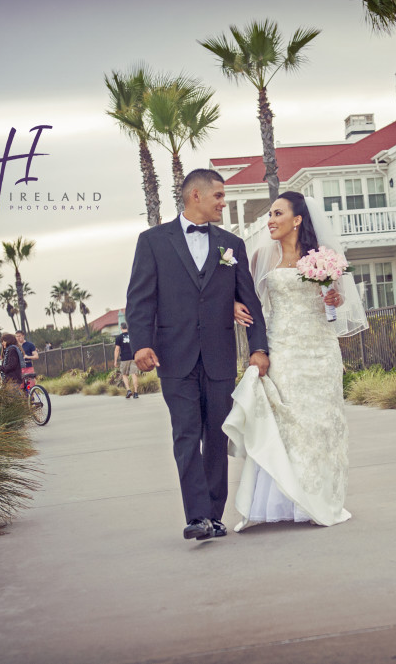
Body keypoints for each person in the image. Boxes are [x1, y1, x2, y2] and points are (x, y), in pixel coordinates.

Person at [126, 168, 270, 542]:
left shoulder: (231, 245)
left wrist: (258, 348)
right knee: (186, 434)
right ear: (196, 196)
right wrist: (140, 344)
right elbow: (140, 300)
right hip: (174, 357)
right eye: (219, 196)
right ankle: (197, 517)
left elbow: (247, 299)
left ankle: (214, 513)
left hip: (220, 355)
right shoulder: (153, 241)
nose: (224, 203)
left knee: (215, 436)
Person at [224, 192, 368, 532]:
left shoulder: (322, 258)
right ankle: (280, 501)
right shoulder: (261, 256)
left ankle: (318, 499)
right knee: (287, 423)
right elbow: (245, 294)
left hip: (319, 349)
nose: (270, 220)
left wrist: (335, 295)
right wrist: (232, 305)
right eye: (269, 215)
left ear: (297, 219)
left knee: (321, 425)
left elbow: (337, 297)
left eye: (277, 213)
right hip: (282, 348)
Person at [114, 322, 140, 399]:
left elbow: (117, 350)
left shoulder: (118, 338)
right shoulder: (132, 336)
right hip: (133, 357)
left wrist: (115, 360)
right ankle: (136, 393)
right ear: (127, 328)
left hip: (124, 358)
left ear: (121, 328)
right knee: (134, 374)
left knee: (124, 375)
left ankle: (128, 390)